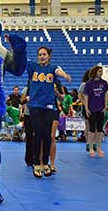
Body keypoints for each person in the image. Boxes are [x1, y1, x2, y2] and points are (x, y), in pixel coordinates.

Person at [27, 46, 71, 178]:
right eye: (39, 54)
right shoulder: (33, 67)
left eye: (44, 54)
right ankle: (36, 163)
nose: (42, 56)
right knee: (38, 133)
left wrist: (65, 75)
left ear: (48, 56)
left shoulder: (52, 68)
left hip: (49, 106)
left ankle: (45, 163)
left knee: (47, 135)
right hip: (35, 105)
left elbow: (58, 71)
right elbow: (21, 60)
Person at [84, 66, 108, 157]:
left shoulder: (104, 83)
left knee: (99, 129)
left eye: (101, 71)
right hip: (91, 109)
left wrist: (105, 106)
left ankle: (99, 148)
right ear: (95, 72)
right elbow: (86, 96)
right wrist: (86, 108)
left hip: (101, 109)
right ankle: (91, 147)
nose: (101, 73)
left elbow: (105, 94)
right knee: (91, 129)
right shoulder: (88, 84)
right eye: (99, 71)